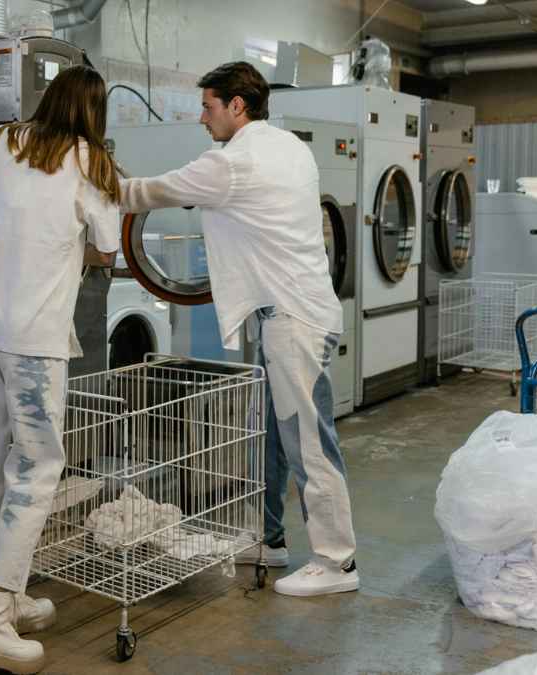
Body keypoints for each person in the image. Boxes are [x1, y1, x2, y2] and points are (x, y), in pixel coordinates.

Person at [119, 61, 360, 597]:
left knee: (308, 441)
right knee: (277, 435)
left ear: (237, 106)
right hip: (299, 311)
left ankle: (338, 561)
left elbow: (147, 193)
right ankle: (271, 541)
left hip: (294, 319)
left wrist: (86, 182)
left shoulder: (234, 162)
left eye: (207, 107)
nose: (202, 119)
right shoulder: (290, 147)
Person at [0, 65, 121, 674]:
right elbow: (107, 249)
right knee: (37, 468)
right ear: (95, 114)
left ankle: (2, 595)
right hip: (33, 338)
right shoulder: (92, 163)